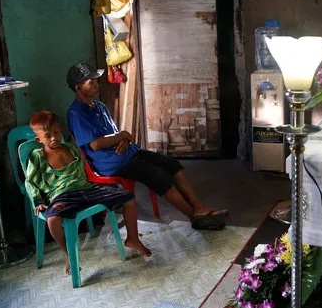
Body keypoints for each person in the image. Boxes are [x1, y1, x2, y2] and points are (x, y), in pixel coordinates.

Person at [66, 62, 228, 230]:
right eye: (91, 82)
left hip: (127, 152)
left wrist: (124, 139)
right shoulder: (76, 113)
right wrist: (121, 137)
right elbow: (95, 144)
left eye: (96, 81)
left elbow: (115, 133)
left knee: (172, 166)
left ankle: (200, 208)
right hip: (110, 163)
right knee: (160, 178)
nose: (97, 85)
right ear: (79, 88)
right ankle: (194, 217)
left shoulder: (99, 106)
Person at [25, 111, 152, 275]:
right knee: (53, 220)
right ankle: (68, 252)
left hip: (87, 189)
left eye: (56, 132)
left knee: (128, 198)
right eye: (48, 136)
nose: (54, 138)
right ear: (39, 140)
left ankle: (133, 238)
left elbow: (88, 172)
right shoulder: (38, 157)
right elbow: (31, 182)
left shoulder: (72, 148)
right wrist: (38, 201)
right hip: (62, 195)